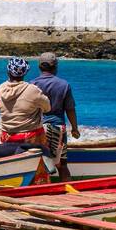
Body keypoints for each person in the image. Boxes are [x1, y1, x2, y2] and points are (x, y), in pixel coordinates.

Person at [32, 51, 80, 181]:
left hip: (38, 128)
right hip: (58, 128)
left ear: (40, 67)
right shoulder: (64, 85)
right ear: (55, 67)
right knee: (62, 164)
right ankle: (67, 191)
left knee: (38, 162)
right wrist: (75, 128)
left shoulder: (32, 85)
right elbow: (70, 109)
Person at [0, 56, 50, 148]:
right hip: (30, 137)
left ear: (8, 71)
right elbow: (47, 108)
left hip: (7, 136)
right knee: (47, 155)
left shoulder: (1, 88)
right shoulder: (32, 90)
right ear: (25, 73)